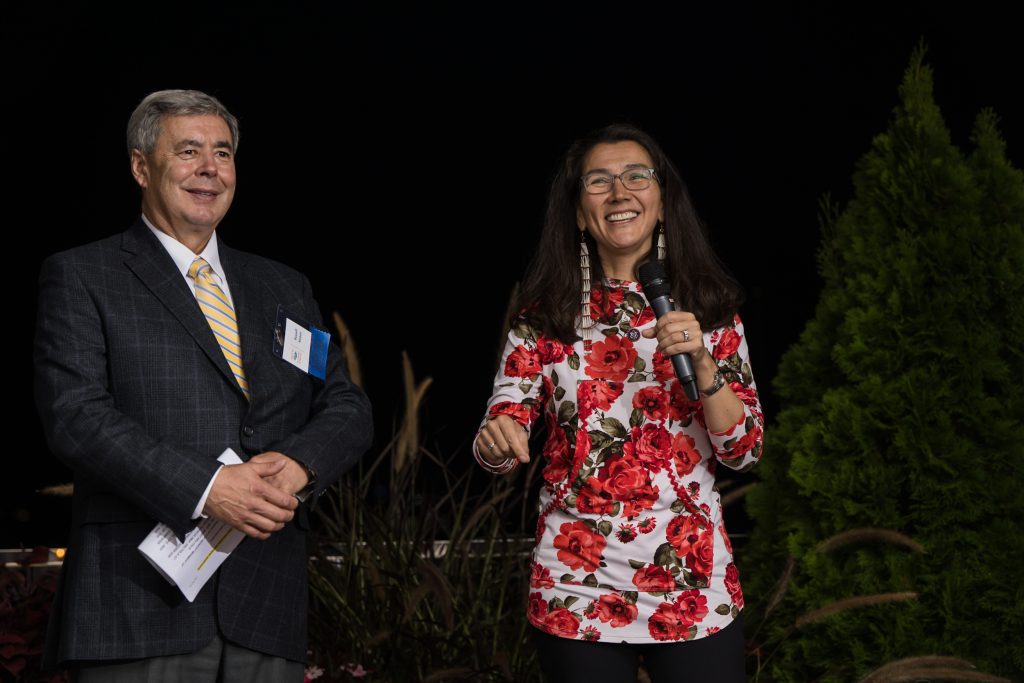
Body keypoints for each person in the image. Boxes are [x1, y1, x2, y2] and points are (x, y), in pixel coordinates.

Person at [34, 89, 373, 681]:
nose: (210, 168)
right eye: (188, 151)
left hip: (266, 601)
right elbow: (76, 416)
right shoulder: (83, 274)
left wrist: (299, 465)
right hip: (138, 603)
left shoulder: (284, 286)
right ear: (141, 167)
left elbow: (346, 404)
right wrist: (208, 488)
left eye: (223, 152)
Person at [474, 123, 763, 682]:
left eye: (636, 176)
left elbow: (744, 452)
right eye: (598, 181)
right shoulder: (544, 318)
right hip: (576, 580)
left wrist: (705, 366)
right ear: (580, 215)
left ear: (662, 202)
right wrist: (495, 442)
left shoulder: (710, 311)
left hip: (691, 575)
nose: (619, 192)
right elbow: (502, 427)